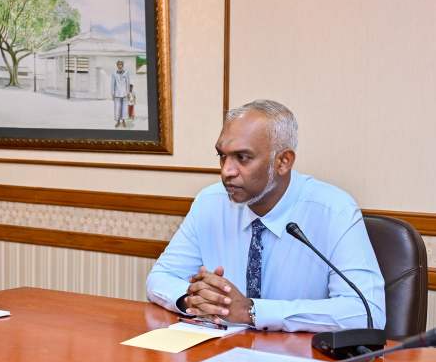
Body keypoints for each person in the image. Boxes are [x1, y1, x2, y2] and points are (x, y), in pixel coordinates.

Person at [146, 100, 384, 332]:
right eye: (222, 156)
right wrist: (194, 300)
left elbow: (367, 313)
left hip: (299, 354)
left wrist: (252, 311)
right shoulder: (210, 202)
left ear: (283, 162)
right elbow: (160, 277)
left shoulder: (334, 210)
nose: (226, 171)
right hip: (220, 349)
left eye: (242, 157)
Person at [111, 60, 131, 127]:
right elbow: (112, 84)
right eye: (118, 64)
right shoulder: (114, 73)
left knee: (124, 108)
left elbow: (128, 83)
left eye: (121, 64)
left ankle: (124, 121)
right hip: (117, 94)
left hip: (125, 93)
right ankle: (118, 121)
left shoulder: (126, 73)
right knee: (117, 108)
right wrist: (112, 93)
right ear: (117, 65)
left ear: (123, 65)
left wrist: (128, 93)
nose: (120, 66)